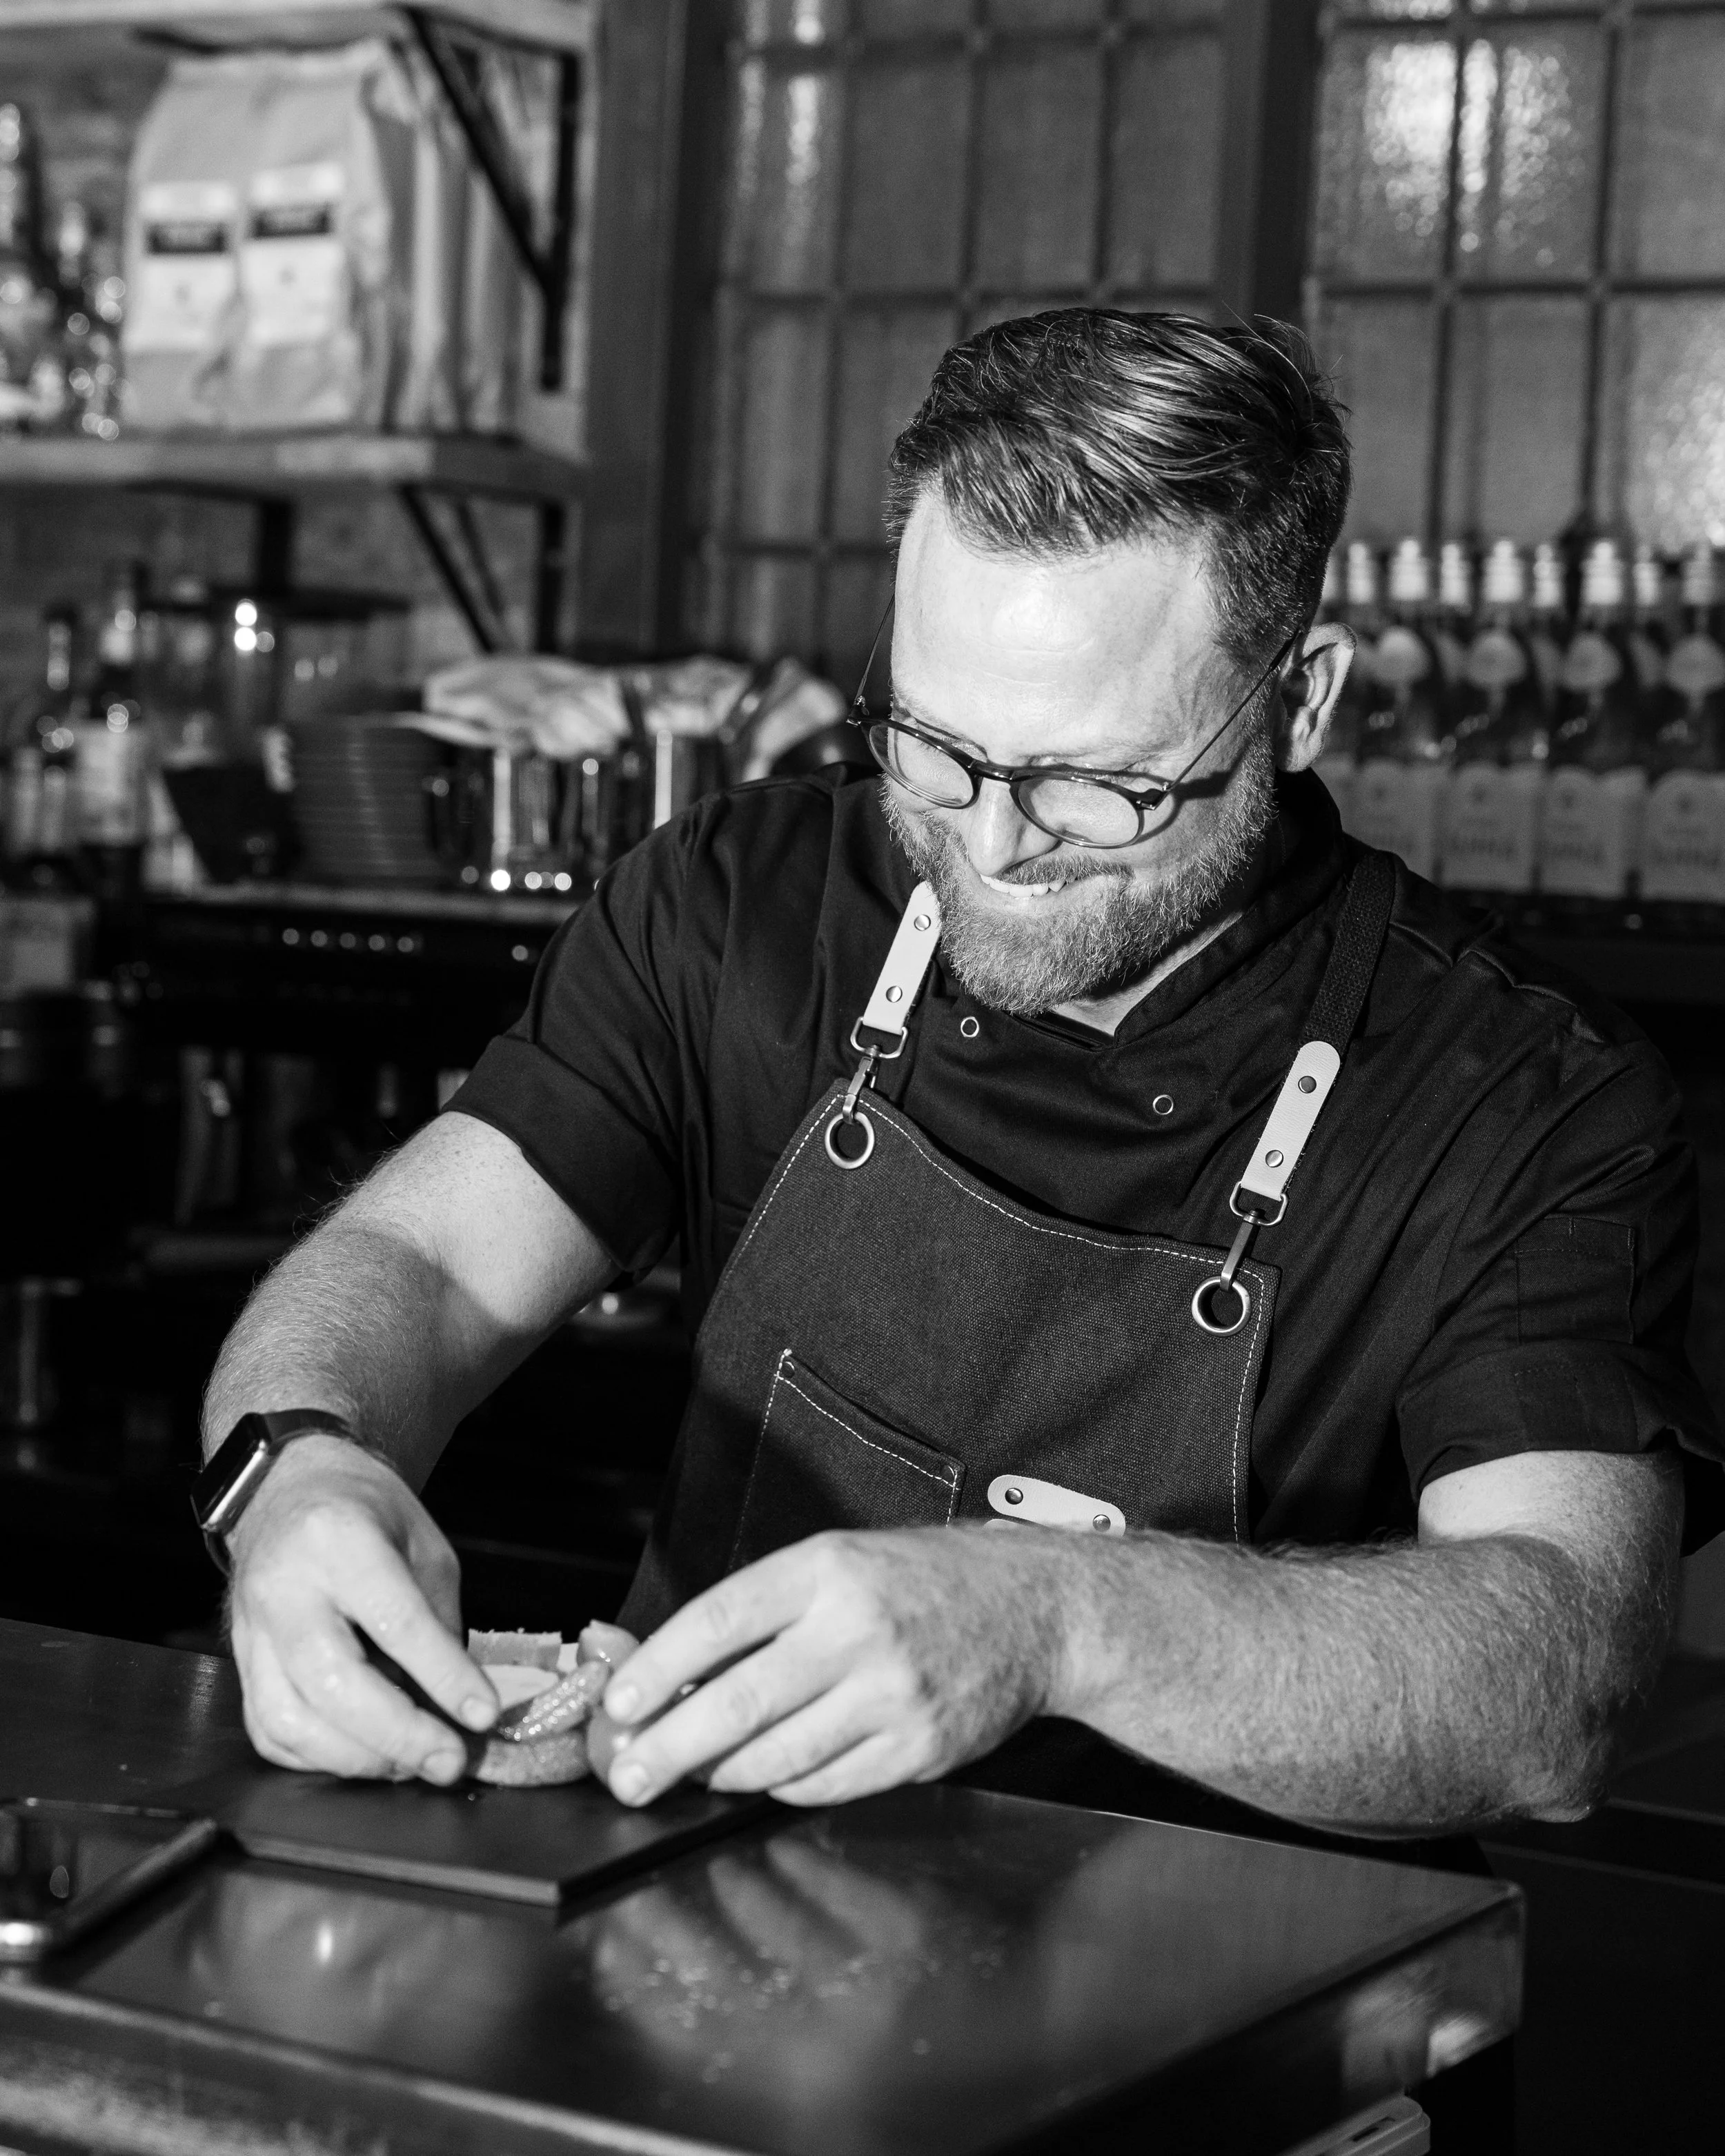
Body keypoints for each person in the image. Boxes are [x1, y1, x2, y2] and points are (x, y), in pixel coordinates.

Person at [201, 310, 1720, 1845]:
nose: (990, 848)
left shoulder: (1525, 1099)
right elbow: (421, 1258)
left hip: (1217, 2027)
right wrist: (295, 1471)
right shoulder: (740, 908)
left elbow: (1556, 1677)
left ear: (1299, 699)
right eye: (931, 747)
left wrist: (1052, 1621)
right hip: (679, 1940)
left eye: (1097, 786)